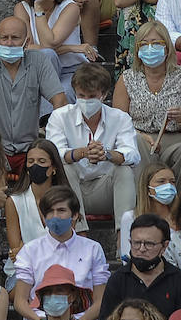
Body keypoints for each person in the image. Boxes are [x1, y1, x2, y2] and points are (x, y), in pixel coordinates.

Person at [0, 17, 68, 154]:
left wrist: (55, 142)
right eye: (4, 38)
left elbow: (60, 101)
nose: (9, 43)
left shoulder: (38, 60)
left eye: (15, 38)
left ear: (26, 42)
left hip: (29, 150)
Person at [47, 62, 140, 225]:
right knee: (66, 166)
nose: (85, 101)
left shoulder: (120, 118)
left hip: (106, 190)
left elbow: (132, 154)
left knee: (125, 170)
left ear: (103, 95)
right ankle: (79, 232)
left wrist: (107, 154)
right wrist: (82, 153)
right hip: (69, 190)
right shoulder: (59, 116)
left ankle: (124, 240)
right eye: (81, 96)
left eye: (91, 96)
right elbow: (54, 153)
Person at [114, 27, 181, 196]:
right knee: (136, 142)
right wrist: (141, 135)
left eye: (156, 43)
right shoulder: (127, 78)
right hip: (141, 138)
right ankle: (142, 207)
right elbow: (118, 123)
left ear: (167, 48)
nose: (150, 48)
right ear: (138, 50)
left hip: (176, 138)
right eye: (144, 44)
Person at [11, 186, 109, 320]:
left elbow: (100, 301)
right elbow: (20, 301)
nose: (55, 216)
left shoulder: (93, 249)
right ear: (44, 217)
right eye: (50, 211)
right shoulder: (30, 250)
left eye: (61, 210)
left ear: (75, 215)